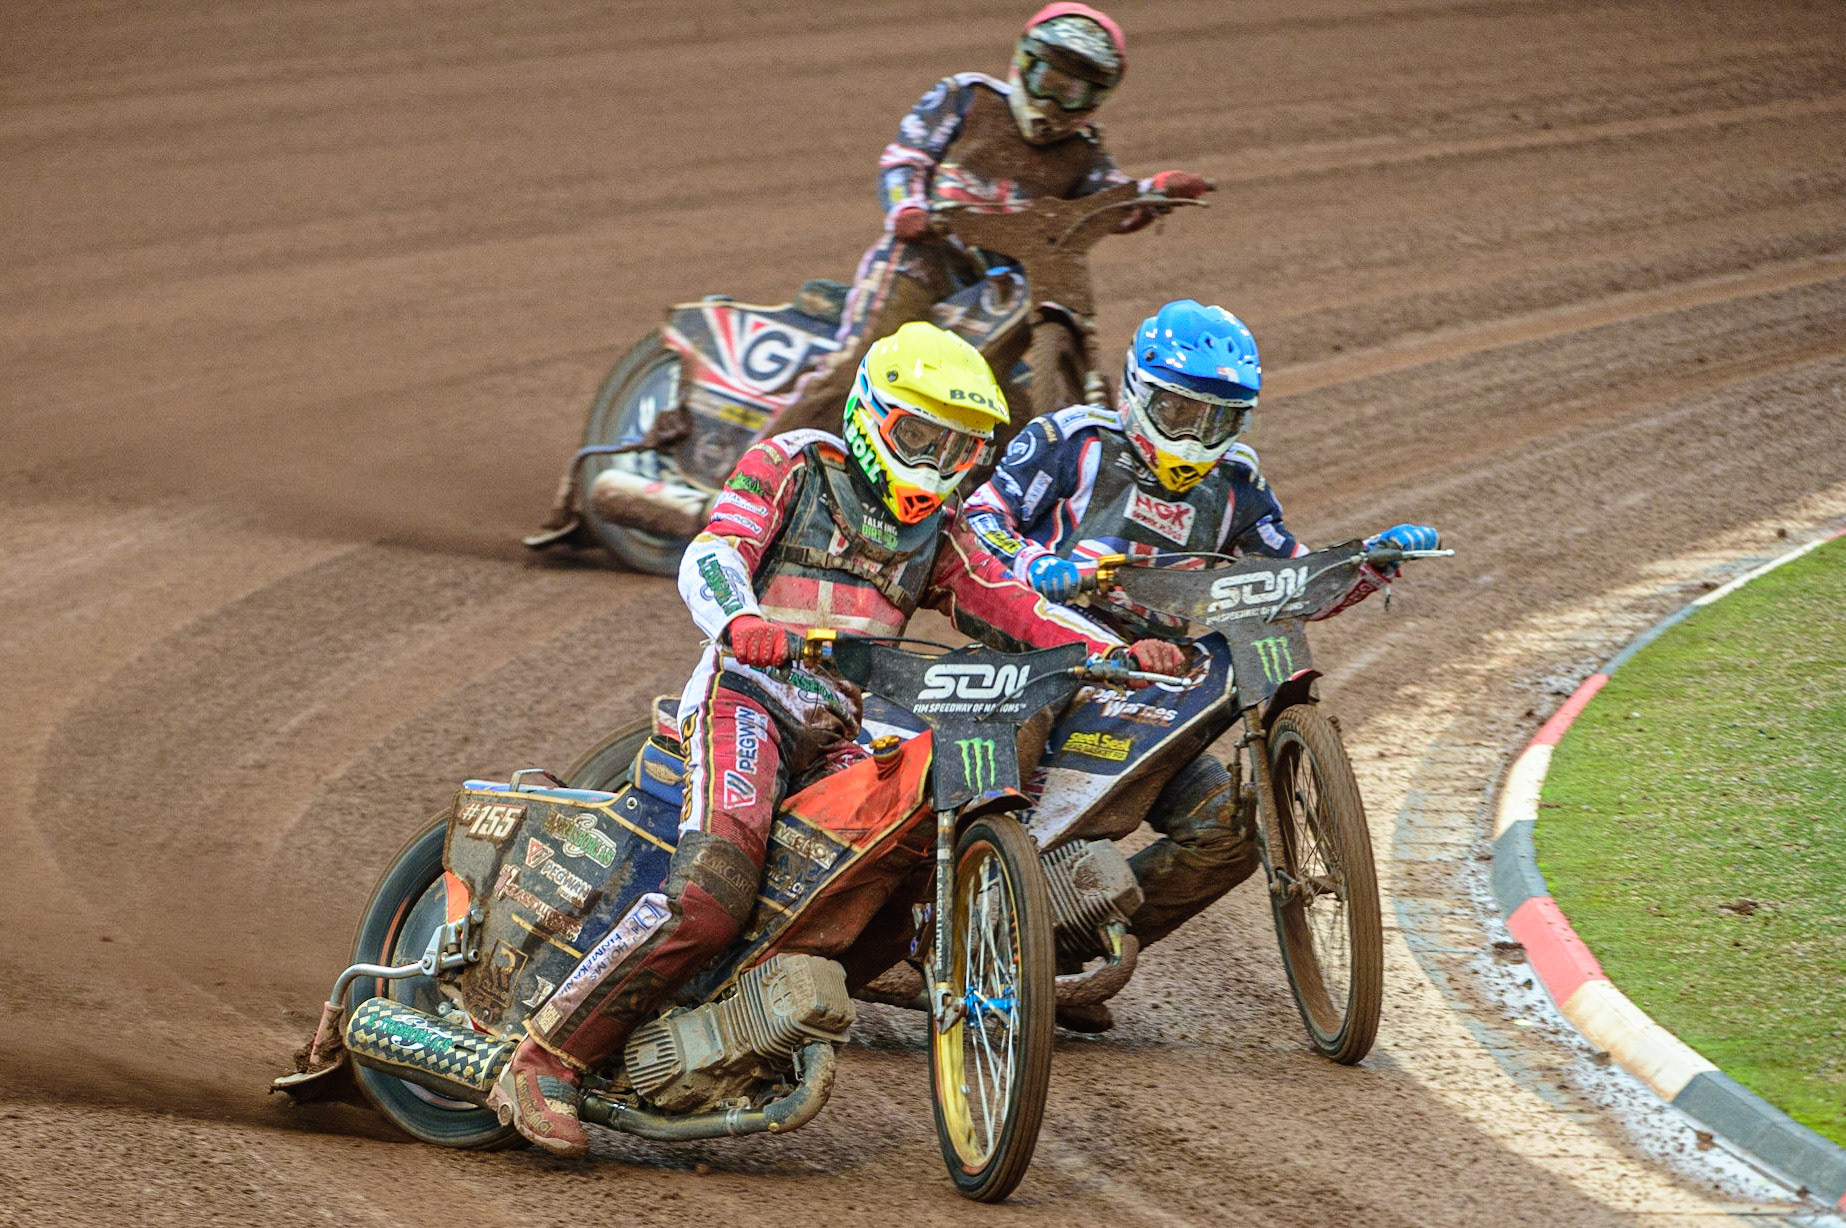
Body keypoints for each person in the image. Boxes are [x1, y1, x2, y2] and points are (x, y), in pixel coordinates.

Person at [490, 322, 1185, 1154]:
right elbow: (714, 553)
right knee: (712, 894)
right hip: (748, 701)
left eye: (958, 447)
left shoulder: (944, 527)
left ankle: (750, 1014)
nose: (935, 462)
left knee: (895, 883)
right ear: (873, 415)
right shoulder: (796, 464)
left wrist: (1105, 651)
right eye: (920, 436)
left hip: (841, 724)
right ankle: (543, 1060)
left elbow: (1010, 600)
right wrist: (742, 619)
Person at [962, 299, 1440, 1029]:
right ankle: (953, 909)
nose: (1196, 437)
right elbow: (977, 520)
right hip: (1042, 659)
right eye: (1180, 414)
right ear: (1137, 391)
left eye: (1216, 421)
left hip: (1151, 690)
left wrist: (1367, 565)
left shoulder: (1237, 483)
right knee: (1007, 757)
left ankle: (1059, 947)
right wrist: (1039, 566)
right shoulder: (1069, 442)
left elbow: (1287, 578)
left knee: (1226, 832)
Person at [773, 2, 1212, 436]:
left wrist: (1154, 191)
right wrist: (908, 208)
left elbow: (1108, 203)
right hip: (924, 257)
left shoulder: (1085, 151)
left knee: (1001, 405)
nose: (1056, 103)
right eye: (1049, 82)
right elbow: (905, 158)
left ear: (1095, 100)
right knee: (861, 365)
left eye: (1074, 92)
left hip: (1006, 282)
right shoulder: (968, 97)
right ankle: (755, 476)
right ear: (1025, 65)